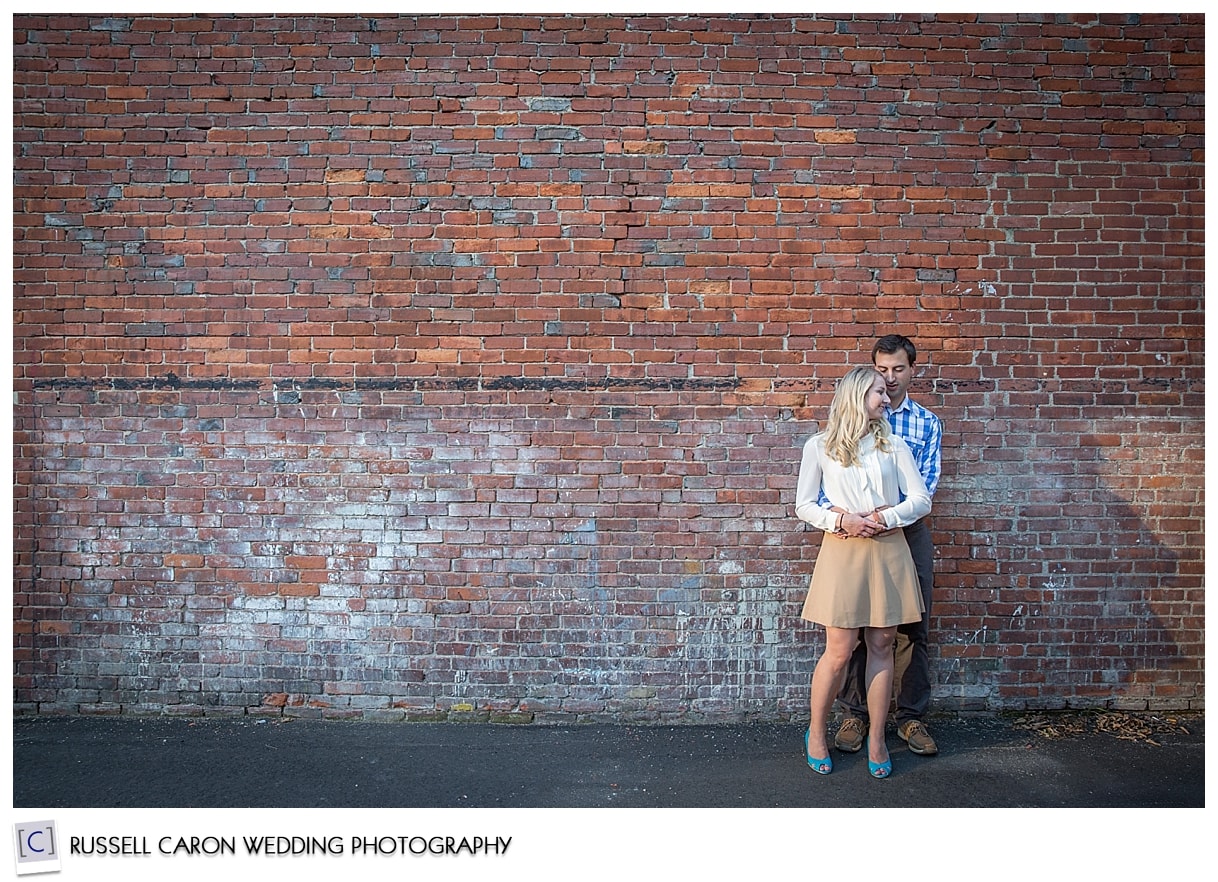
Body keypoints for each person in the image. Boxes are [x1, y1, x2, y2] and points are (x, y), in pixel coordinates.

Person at [795, 366, 931, 778]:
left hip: (888, 549)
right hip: (842, 549)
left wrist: (885, 516)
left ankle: (876, 738)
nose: (887, 398)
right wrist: (842, 522)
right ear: (857, 396)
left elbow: (921, 499)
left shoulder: (894, 447)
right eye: (878, 392)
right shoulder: (819, 446)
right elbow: (804, 505)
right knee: (838, 651)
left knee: (882, 645)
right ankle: (817, 733)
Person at [833, 334, 943, 758]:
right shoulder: (852, 420)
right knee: (859, 624)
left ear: (912, 371)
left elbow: (926, 486)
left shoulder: (925, 423)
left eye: (898, 369)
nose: (890, 379)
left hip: (907, 532)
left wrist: (888, 516)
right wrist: (853, 518)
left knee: (913, 625)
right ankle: (853, 714)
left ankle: (910, 717)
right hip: (856, 532)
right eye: (882, 370)